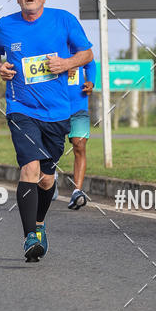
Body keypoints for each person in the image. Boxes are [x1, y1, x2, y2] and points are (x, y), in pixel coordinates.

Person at [0, 0, 93, 262]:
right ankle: (29, 236)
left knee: (46, 179)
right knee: (29, 170)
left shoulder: (64, 19)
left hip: (58, 112)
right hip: (21, 109)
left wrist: (66, 63)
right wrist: (0, 68)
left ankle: (40, 224)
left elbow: (87, 54)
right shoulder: (6, 25)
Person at [66, 58, 96, 209]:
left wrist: (91, 82)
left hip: (78, 105)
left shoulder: (79, 46)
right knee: (52, 149)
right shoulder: (50, 41)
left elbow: (90, 63)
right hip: (54, 106)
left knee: (79, 145)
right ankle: (50, 180)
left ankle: (77, 191)